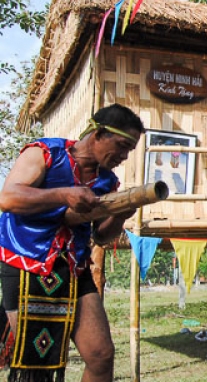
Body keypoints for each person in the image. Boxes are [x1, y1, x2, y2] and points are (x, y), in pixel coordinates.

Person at [0, 104, 144, 382]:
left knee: (101, 355)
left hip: (73, 269)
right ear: (99, 134)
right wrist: (63, 194)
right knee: (29, 360)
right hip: (25, 264)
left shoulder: (107, 182)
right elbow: (8, 199)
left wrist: (119, 215)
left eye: (130, 150)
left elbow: (101, 236)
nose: (125, 157)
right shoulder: (45, 153)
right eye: (122, 146)